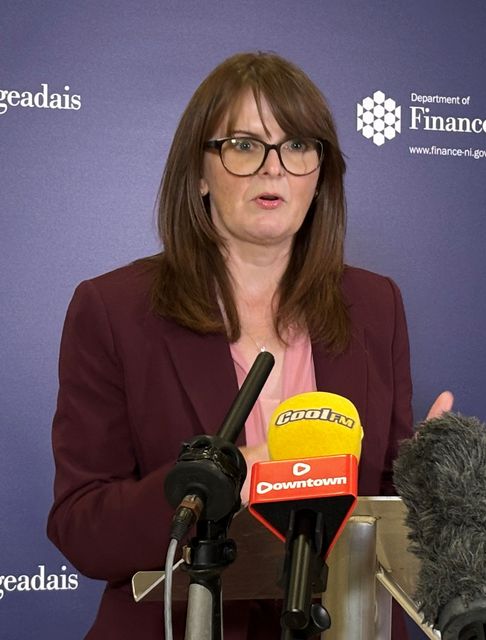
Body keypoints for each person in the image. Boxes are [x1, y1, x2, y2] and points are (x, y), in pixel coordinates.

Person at [47, 52, 453, 639]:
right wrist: (226, 481)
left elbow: (382, 505)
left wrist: (427, 482)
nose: (274, 169)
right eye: (244, 145)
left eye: (297, 146)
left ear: (321, 176)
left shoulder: (376, 305)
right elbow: (82, 526)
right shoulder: (113, 310)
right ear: (198, 171)